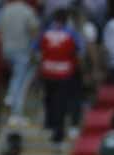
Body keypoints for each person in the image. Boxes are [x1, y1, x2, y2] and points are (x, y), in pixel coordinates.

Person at [38, 9, 85, 144]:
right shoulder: (70, 33)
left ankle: (49, 124)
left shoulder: (46, 32)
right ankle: (58, 133)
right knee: (61, 102)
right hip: (64, 72)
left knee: (49, 99)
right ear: (66, 19)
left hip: (47, 71)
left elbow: (36, 48)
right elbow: (80, 49)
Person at [0, 0, 40, 121]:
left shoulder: (5, 10)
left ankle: (15, 110)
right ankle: (11, 97)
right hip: (22, 49)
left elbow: (0, 29)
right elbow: (34, 30)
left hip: (6, 50)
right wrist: (35, 50)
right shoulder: (27, 11)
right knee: (20, 79)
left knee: (18, 76)